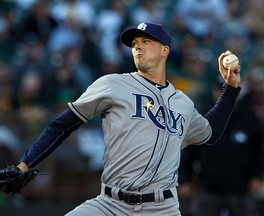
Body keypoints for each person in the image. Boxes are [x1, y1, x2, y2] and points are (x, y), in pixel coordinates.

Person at [15, 22, 241, 215]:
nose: (138, 47)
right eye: (134, 44)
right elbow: (61, 126)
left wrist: (230, 89)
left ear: (164, 51)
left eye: (145, 41)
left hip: (162, 209)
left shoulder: (183, 102)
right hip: (110, 204)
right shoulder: (113, 84)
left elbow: (210, 133)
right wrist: (23, 166)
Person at [178, 76, 264, 216]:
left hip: (240, 189)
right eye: (220, 90)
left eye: (229, 90)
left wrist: (257, 176)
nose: (223, 94)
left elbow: (259, 152)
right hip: (208, 187)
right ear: (214, 91)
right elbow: (188, 150)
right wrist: (185, 179)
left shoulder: (250, 119)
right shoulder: (201, 118)